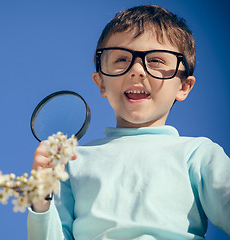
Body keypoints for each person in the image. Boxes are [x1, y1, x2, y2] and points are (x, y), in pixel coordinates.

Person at [27, 5, 230, 240]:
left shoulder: (198, 154)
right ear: (101, 82)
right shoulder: (72, 163)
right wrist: (41, 200)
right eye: (122, 59)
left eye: (155, 60)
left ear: (183, 86)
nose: (137, 70)